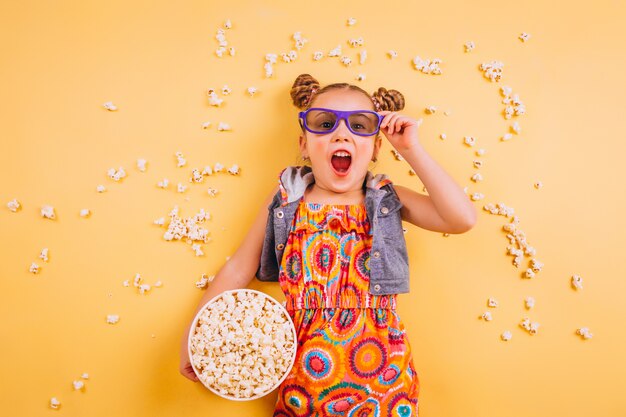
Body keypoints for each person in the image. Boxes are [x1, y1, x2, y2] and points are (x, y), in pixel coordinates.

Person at [180, 73, 477, 415]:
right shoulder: (286, 201)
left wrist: (411, 150)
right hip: (303, 386)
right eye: (325, 123)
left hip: (384, 383)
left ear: (376, 147)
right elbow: (237, 269)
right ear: (304, 144)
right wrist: (195, 339)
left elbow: (461, 219)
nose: (341, 134)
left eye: (359, 125)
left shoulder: (385, 199)